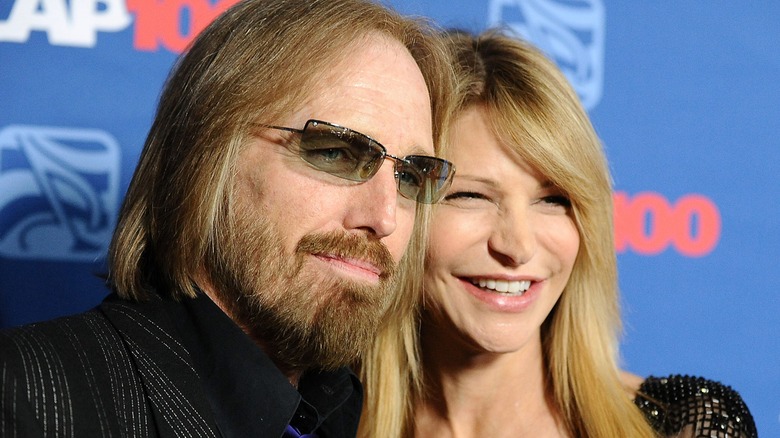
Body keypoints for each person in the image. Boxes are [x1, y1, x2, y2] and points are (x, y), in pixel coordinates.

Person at [0, 0, 457, 436]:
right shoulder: (25, 397)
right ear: (204, 156)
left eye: (411, 176)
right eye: (335, 151)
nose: (384, 218)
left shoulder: (340, 414)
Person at [357, 30, 757, 437]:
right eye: (472, 195)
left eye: (552, 200)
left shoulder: (686, 426)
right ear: (403, 205)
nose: (518, 246)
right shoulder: (316, 420)